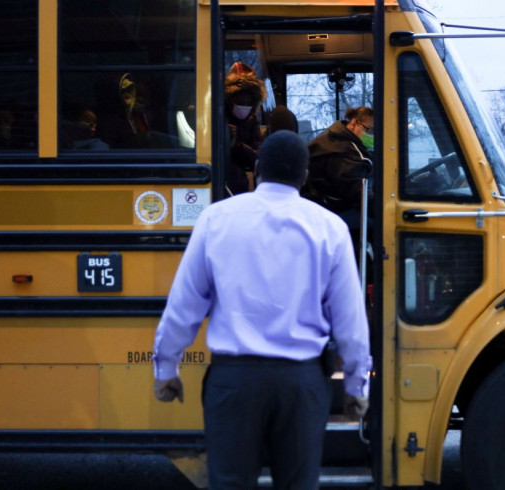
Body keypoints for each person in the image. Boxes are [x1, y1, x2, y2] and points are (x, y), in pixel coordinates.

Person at [152, 130, 371, 489]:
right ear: (304, 176)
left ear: (257, 169)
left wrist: (166, 367)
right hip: (301, 385)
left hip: (233, 383)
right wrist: (355, 384)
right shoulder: (330, 228)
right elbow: (349, 318)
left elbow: (185, 304)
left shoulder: (216, 219)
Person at [303, 106, 374, 236]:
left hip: (316, 205)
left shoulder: (333, 135)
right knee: (378, 222)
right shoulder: (346, 152)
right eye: (369, 131)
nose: (372, 136)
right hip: (331, 210)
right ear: (354, 123)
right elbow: (359, 195)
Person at [224, 61, 266, 195]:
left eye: (248, 102)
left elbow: (257, 158)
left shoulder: (252, 120)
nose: (244, 105)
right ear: (229, 99)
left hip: (240, 181)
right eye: (240, 101)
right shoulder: (218, 116)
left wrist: (237, 145)